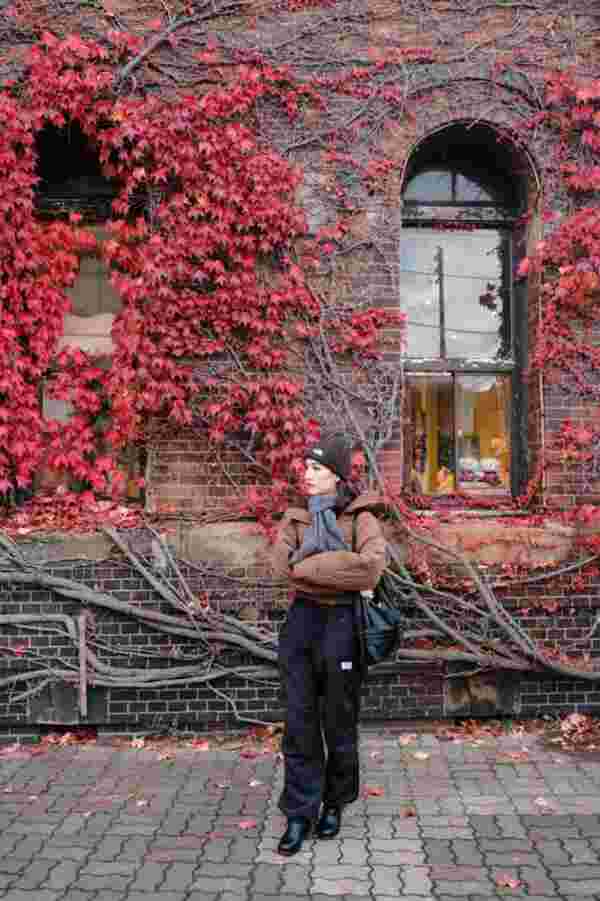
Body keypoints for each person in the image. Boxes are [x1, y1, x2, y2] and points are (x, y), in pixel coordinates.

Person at [271, 433, 387, 856]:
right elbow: (282, 565)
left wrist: (309, 565)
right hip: (302, 624)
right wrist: (333, 567)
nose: (307, 473)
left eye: (316, 468)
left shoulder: (362, 519)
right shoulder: (296, 517)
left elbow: (370, 570)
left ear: (336, 476)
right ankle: (300, 812)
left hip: (342, 624)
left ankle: (334, 803)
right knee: (299, 721)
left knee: (339, 719)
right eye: (306, 466)